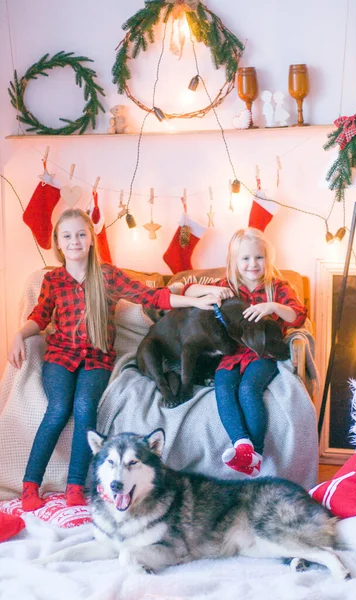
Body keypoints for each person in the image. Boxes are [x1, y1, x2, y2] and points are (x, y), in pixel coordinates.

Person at [7, 208, 220, 512]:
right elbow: (39, 317)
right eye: (67, 236)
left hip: (96, 359)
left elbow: (152, 297)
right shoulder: (53, 280)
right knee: (57, 409)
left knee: (84, 410)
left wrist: (194, 300)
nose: (75, 241)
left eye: (81, 234)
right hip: (60, 357)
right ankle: (30, 485)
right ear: (58, 241)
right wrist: (18, 334)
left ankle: (76, 485)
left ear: (91, 239)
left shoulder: (107, 275)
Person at [183, 227, 307, 476]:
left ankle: (256, 454)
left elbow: (297, 315)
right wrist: (214, 292)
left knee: (249, 389)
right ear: (234, 262)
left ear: (267, 259)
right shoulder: (227, 286)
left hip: (263, 353)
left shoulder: (277, 287)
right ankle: (241, 444)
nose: (253, 264)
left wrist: (273, 306)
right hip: (232, 354)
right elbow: (187, 291)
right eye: (246, 258)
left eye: (259, 257)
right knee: (223, 386)